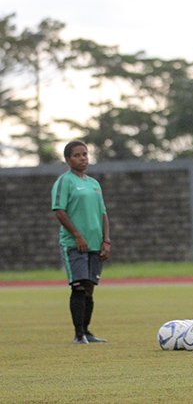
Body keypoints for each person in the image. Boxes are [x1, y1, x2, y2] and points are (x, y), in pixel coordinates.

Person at [51, 140, 111, 344]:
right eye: (77, 155)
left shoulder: (94, 184)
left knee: (89, 287)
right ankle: (78, 335)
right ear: (68, 159)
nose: (82, 158)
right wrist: (77, 235)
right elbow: (59, 210)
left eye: (85, 154)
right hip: (75, 245)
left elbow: (103, 213)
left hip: (95, 244)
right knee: (78, 286)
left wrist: (107, 241)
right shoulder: (64, 182)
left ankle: (87, 332)